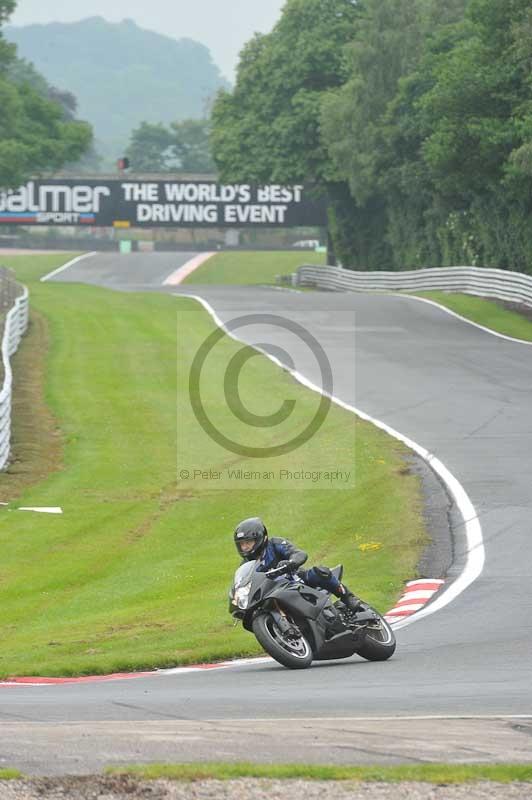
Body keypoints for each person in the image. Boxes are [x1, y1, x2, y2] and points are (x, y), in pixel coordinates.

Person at [234, 517, 362, 611]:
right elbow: (244, 584)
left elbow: (298, 554)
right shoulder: (246, 565)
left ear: (262, 538)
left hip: (297, 579)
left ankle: (348, 597)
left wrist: (291, 562)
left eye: (248, 542)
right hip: (272, 592)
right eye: (242, 544)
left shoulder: (275, 544)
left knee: (319, 572)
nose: (245, 547)